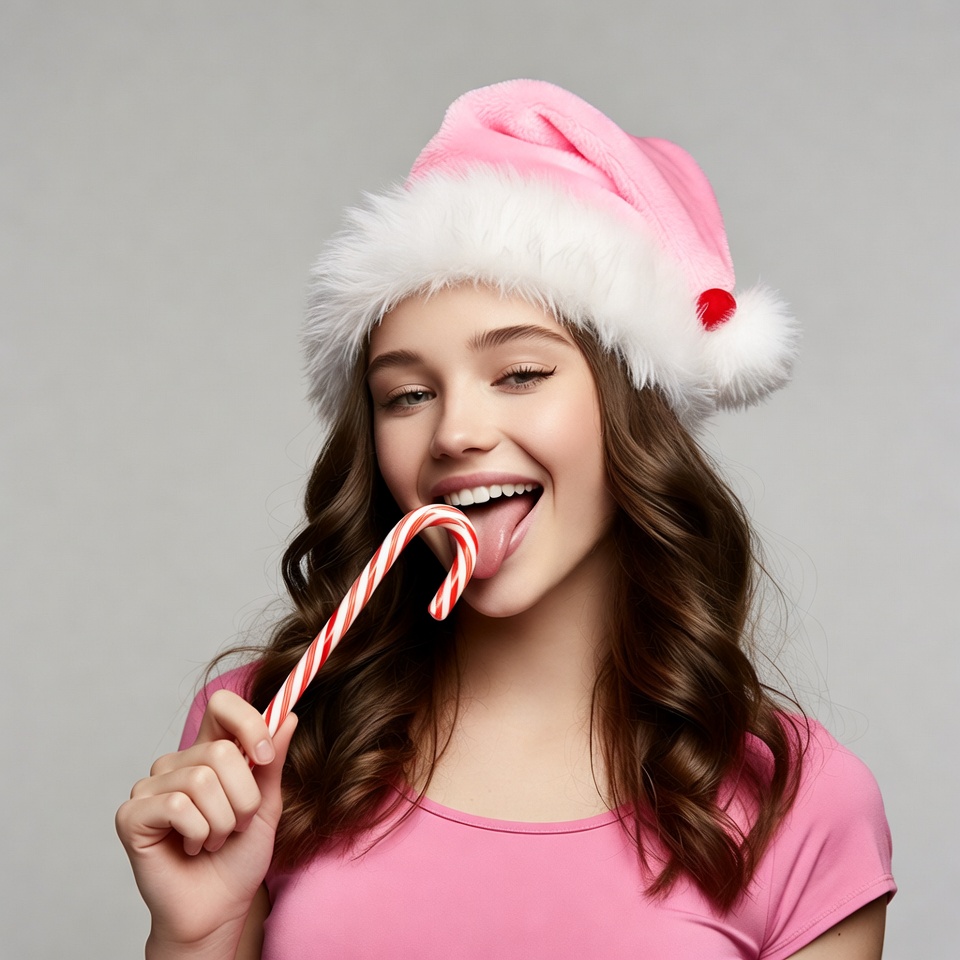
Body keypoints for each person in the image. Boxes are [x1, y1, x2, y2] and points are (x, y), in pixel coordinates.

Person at [116, 80, 895, 959]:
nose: (454, 432)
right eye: (407, 395)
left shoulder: (801, 802)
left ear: (636, 411)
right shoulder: (265, 736)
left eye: (521, 374)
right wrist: (198, 933)